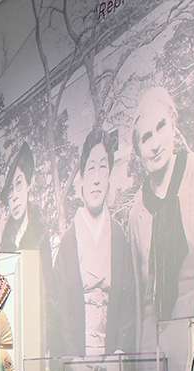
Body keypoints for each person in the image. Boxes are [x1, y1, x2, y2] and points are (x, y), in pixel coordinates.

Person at [128, 87, 194, 332]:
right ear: (139, 151)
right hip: (155, 339)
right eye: (146, 137)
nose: (155, 144)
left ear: (173, 124)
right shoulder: (136, 212)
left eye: (161, 126)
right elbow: (139, 297)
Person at [51, 128, 138, 357]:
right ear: (81, 179)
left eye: (103, 168)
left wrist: (120, 350)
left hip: (112, 354)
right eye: (91, 168)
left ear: (109, 177)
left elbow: (129, 301)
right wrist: (73, 358)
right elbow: (59, 307)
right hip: (77, 355)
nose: (97, 179)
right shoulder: (69, 241)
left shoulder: (119, 237)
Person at [0, 143, 45, 251]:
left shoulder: (42, 231)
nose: (14, 197)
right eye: (9, 190)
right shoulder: (6, 240)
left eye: (19, 183)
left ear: (28, 184)